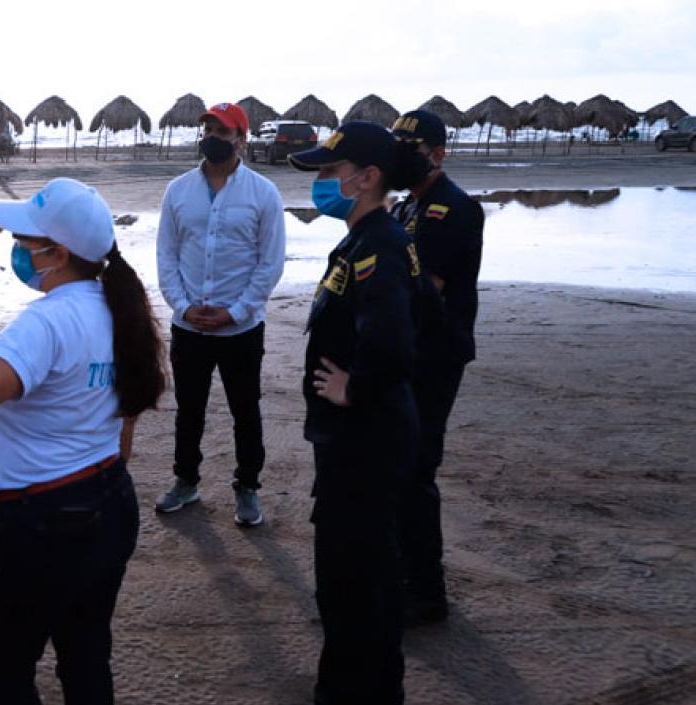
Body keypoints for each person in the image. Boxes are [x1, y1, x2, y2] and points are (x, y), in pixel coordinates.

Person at [0, 178, 166, 704]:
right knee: (85, 655)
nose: (17, 249)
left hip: (44, 525)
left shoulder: (47, 321)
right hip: (110, 501)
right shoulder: (120, 311)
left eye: (24, 241)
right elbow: (123, 424)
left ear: (57, 254)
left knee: (4, 668)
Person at [289, 122, 428, 705]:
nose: (325, 180)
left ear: (367, 178)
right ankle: (348, 684)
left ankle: (360, 692)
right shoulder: (367, 237)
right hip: (357, 441)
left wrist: (358, 388)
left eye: (331, 170)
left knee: (357, 580)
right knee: (353, 577)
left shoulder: (380, 247)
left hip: (365, 442)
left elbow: (396, 340)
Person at [154, 102, 287, 526]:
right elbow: (166, 255)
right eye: (208, 128)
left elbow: (270, 264)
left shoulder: (263, 194)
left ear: (241, 140)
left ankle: (247, 487)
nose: (212, 136)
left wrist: (237, 312)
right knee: (188, 410)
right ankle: (186, 482)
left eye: (223, 130)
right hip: (189, 326)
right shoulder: (177, 191)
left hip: (241, 330)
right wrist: (183, 305)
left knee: (245, 410)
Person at [391, 110, 485, 625]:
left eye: (415, 147)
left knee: (416, 469)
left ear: (440, 152)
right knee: (397, 467)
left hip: (435, 355)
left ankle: (426, 591)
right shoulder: (409, 206)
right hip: (408, 351)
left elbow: (426, 286)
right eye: (399, 147)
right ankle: (403, 574)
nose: (405, 155)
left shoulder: (456, 209)